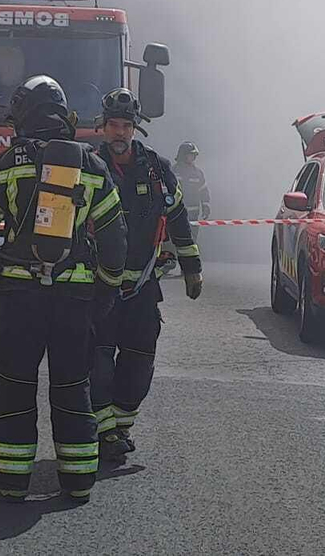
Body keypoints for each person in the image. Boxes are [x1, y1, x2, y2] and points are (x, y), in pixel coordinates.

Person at [0, 75, 128, 501]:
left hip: (21, 297)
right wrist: (107, 289)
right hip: (74, 299)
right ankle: (78, 481)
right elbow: (115, 239)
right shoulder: (92, 165)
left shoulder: (10, 161)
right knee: (73, 386)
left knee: (16, 384)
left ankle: (10, 480)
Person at [91, 89, 202, 464]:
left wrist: (192, 267)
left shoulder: (157, 168)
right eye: (113, 126)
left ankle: (120, 425)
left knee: (140, 360)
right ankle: (104, 430)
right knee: (97, 361)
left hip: (141, 287)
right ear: (102, 127)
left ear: (135, 129)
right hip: (96, 288)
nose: (119, 133)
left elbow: (178, 219)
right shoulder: (88, 165)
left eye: (125, 126)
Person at [173, 141, 211, 233]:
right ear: (183, 155)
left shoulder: (197, 173)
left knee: (191, 240)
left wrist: (206, 206)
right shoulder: (173, 171)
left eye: (194, 155)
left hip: (193, 216)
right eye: (191, 155)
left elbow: (204, 191)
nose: (193, 158)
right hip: (175, 215)